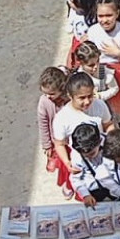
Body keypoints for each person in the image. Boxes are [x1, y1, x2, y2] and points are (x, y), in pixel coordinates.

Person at [52, 73, 115, 201]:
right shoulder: (62, 118)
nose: (87, 102)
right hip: (81, 157)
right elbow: (59, 144)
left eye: (90, 96)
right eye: (81, 98)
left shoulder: (100, 105)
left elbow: (108, 125)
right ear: (70, 96)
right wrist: (67, 163)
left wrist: (111, 144)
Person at [37, 67, 74, 197]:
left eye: (52, 94)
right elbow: (43, 123)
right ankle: (68, 184)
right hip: (58, 142)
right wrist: (47, 144)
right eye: (45, 93)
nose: (48, 96)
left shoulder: (71, 98)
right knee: (65, 165)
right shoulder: (44, 102)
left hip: (73, 141)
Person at [70, 123, 120, 207]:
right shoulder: (77, 157)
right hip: (95, 190)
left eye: (92, 153)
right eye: (85, 156)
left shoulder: (112, 144)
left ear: (99, 142)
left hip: (117, 184)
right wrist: (85, 194)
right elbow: (76, 178)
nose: (89, 158)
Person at [66, 0, 99, 69]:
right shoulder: (74, 12)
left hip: (88, 50)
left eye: (72, 2)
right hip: (77, 42)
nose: (70, 3)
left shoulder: (94, 18)